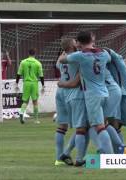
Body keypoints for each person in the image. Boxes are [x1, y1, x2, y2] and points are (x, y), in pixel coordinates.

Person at [58, 31, 114, 156]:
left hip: (92, 95)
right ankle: (100, 152)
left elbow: (62, 60)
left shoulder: (80, 55)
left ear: (79, 42)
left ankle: (109, 156)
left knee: (99, 127)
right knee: (98, 125)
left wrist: (67, 52)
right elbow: (109, 58)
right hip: (105, 93)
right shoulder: (104, 53)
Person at [55, 38, 89, 166]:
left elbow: (58, 64)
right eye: (75, 42)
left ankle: (58, 158)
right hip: (72, 91)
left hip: (60, 91)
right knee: (82, 126)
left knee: (62, 127)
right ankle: (76, 157)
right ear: (71, 45)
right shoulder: (76, 58)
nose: (77, 43)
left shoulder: (61, 59)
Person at [16, 48, 44, 124]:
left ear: (28, 53)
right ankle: (36, 120)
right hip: (34, 83)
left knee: (25, 101)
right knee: (35, 102)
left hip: (26, 83)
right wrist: (43, 85)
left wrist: (16, 83)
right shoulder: (38, 63)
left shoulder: (23, 62)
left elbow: (18, 74)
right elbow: (41, 76)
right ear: (35, 54)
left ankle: (21, 112)